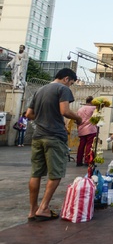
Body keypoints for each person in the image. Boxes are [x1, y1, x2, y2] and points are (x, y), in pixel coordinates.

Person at [25, 68, 82, 221]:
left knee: (36, 173)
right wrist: (78, 118)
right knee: (55, 173)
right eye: (71, 83)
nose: (70, 86)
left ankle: (32, 210)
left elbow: (29, 114)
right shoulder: (62, 89)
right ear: (66, 79)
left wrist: (44, 118)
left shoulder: (40, 90)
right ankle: (43, 208)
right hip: (54, 137)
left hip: (38, 137)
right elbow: (65, 111)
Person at [76, 96, 97, 167]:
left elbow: (77, 120)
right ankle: (87, 161)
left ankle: (79, 161)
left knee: (81, 146)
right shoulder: (94, 108)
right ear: (91, 101)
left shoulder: (80, 109)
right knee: (89, 146)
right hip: (91, 129)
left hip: (81, 129)